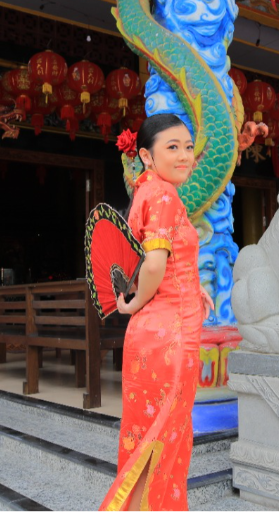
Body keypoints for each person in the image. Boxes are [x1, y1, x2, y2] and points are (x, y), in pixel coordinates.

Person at [100, 113, 214, 512]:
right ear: (146, 156)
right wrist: (131, 302)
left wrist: (191, 283)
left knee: (147, 437)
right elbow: (152, 266)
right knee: (166, 437)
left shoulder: (146, 191)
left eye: (187, 147)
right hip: (172, 333)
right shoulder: (165, 195)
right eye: (173, 148)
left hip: (151, 335)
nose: (185, 156)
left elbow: (159, 258)